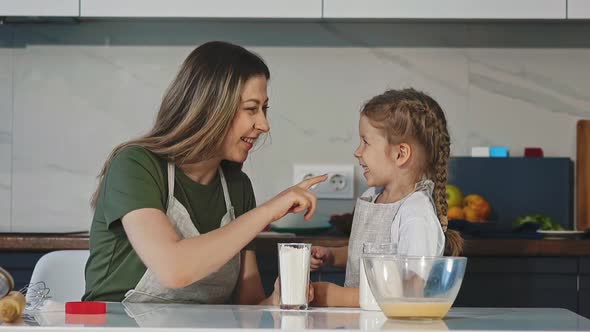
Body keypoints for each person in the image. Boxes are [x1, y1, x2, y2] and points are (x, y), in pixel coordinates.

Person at [83, 41, 325, 304]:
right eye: (251, 109)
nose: (263, 124)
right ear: (211, 107)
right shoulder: (135, 165)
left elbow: (248, 309)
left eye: (264, 109)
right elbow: (173, 269)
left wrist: (276, 300)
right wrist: (268, 210)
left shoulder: (237, 187)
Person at [310, 88, 463, 307]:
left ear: (400, 154)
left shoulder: (416, 215)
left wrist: (336, 296)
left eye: (366, 142)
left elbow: (411, 292)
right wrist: (332, 256)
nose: (357, 151)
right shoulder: (372, 197)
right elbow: (365, 254)